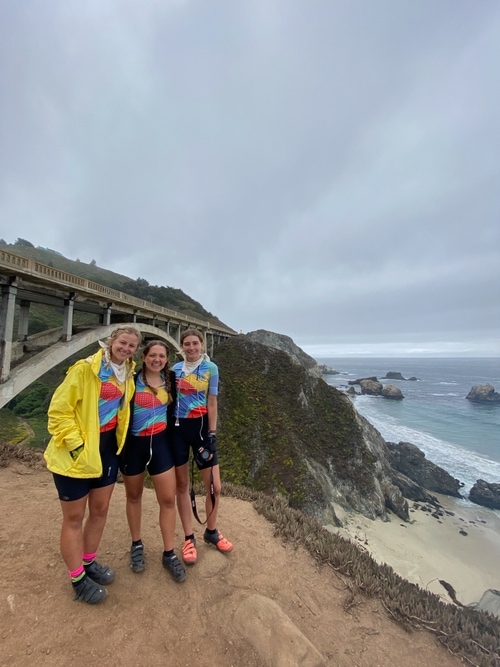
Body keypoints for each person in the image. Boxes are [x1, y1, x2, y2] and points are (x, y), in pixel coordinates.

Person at [44, 325, 141, 604]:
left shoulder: (127, 374)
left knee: (99, 510)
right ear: (112, 341)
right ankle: (77, 579)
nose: (126, 348)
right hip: (77, 452)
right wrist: (77, 447)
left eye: (132, 346)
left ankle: (88, 563)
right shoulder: (85, 369)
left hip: (107, 449)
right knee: (74, 518)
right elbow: (59, 411)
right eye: (122, 342)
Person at [119, 340, 186, 583]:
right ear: (144, 357)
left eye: (162, 356)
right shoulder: (130, 381)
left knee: (167, 500)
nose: (157, 360)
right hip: (133, 446)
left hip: (160, 445)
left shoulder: (171, 381)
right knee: (133, 496)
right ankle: (136, 544)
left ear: (167, 360)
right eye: (152, 355)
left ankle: (169, 553)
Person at [172, 328, 233, 565]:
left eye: (195, 343)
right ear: (182, 346)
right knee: (182, 487)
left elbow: (212, 401)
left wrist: (212, 432)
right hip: (177, 431)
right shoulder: (174, 370)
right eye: (187, 344)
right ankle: (189, 538)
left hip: (201, 431)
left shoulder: (211, 368)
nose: (191, 347)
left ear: (202, 345)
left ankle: (211, 531)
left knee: (215, 487)